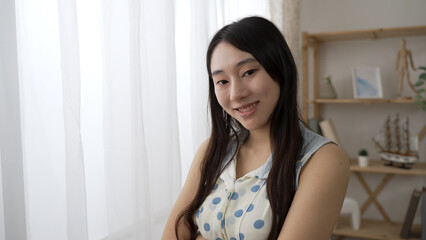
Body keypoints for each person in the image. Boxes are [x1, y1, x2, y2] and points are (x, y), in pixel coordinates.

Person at [162, 16, 349, 240]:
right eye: (222, 81)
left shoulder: (323, 159)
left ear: (280, 70)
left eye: (248, 72)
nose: (236, 94)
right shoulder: (212, 150)